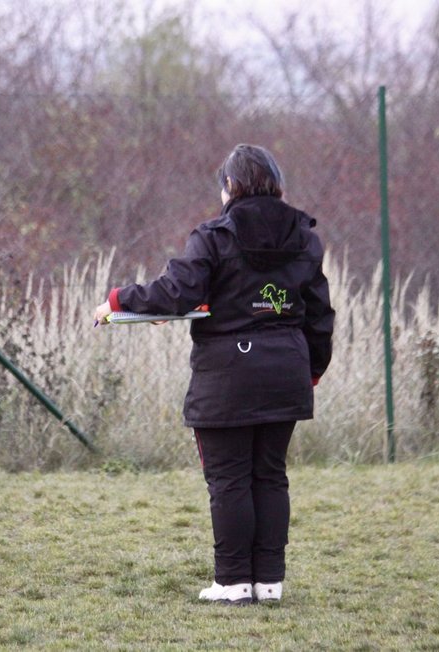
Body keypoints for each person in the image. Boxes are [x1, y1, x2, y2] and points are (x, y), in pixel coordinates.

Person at [93, 144, 334, 604]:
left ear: (230, 187)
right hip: (287, 370)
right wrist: (312, 371)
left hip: (228, 376)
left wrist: (119, 299)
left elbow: (176, 290)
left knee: (229, 479)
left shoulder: (214, 235)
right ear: (277, 184)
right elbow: (320, 315)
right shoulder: (306, 238)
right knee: (270, 476)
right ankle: (269, 582)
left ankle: (232, 582)